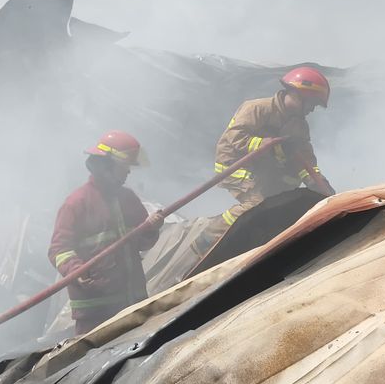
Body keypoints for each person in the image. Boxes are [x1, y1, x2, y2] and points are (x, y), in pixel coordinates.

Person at [193, 66, 335, 255]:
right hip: (235, 165)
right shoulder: (257, 108)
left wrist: (317, 181)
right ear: (297, 94)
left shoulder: (299, 125)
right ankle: (206, 240)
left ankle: (256, 241)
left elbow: (305, 157)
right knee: (255, 204)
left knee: (281, 201)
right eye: (312, 103)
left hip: (263, 168)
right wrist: (267, 145)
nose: (311, 109)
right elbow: (234, 137)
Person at [48, 131, 164, 334]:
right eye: (124, 166)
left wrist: (151, 229)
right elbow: (59, 249)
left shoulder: (128, 198)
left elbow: (141, 243)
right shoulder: (76, 203)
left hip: (133, 304)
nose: (128, 172)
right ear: (106, 166)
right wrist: (76, 270)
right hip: (96, 312)